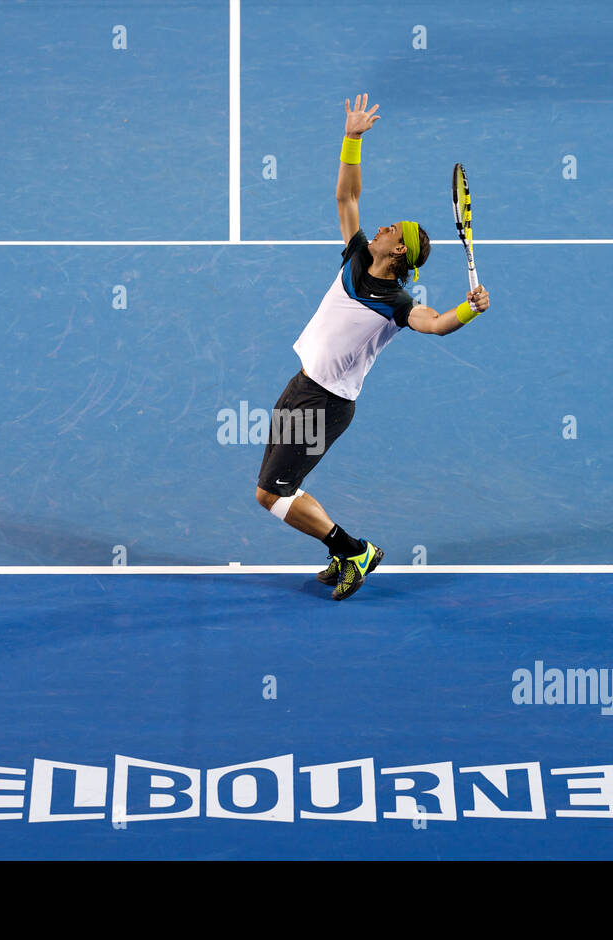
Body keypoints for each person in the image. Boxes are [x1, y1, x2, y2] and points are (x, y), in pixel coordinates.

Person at [253, 93, 491, 601]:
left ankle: (353, 551)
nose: (380, 227)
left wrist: (468, 309)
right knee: (274, 491)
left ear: (399, 249)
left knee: (270, 495)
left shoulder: (399, 302)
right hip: (302, 387)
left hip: (325, 403)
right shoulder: (359, 257)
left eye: (391, 230)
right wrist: (352, 138)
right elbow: (347, 199)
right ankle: (345, 553)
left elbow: (435, 324)